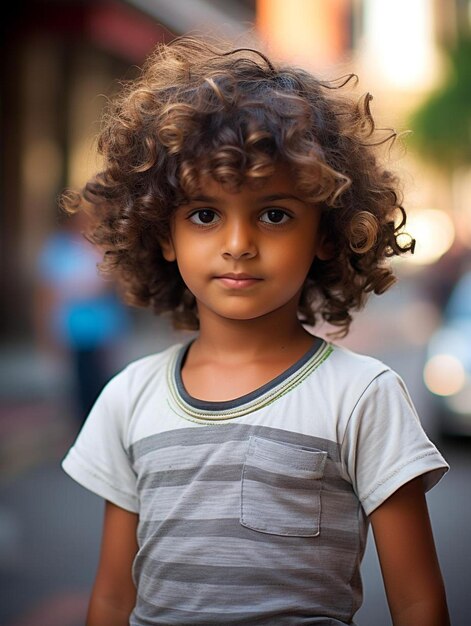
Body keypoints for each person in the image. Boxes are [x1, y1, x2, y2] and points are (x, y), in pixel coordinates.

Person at [61, 36, 450, 626]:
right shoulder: (128, 397)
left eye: (274, 214)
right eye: (204, 214)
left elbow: (418, 602)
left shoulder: (362, 398)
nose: (238, 245)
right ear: (163, 234)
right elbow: (114, 597)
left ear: (327, 231)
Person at [35, 209, 131, 426]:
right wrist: (47, 331)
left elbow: (117, 282)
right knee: (80, 387)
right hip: (73, 329)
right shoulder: (58, 248)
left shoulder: (101, 246)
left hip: (104, 328)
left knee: (104, 382)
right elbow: (47, 293)